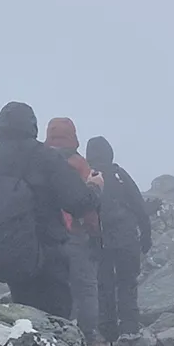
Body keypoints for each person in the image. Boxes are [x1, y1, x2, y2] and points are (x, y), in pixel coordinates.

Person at [0, 102, 97, 318]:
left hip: (11, 260)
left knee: (25, 323)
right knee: (56, 325)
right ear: (32, 127)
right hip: (50, 261)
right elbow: (79, 202)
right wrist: (95, 187)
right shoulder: (43, 156)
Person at [85, 136, 151, 342]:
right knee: (127, 282)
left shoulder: (89, 178)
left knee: (103, 284)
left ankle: (108, 331)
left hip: (100, 239)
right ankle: (130, 328)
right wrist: (146, 235)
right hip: (126, 237)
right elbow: (139, 206)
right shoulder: (119, 174)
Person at [45, 117, 104, 334]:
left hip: (45, 236)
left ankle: (57, 338)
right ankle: (89, 338)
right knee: (86, 288)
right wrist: (95, 234)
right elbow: (88, 205)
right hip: (75, 235)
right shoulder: (79, 164)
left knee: (55, 289)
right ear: (73, 136)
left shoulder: (38, 160)